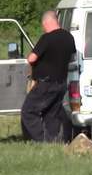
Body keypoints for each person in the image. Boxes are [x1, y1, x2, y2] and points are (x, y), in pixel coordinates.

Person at [21, 10, 76, 142]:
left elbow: (32, 59)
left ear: (46, 22)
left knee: (28, 111)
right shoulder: (69, 37)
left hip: (46, 84)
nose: (43, 28)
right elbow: (72, 56)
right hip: (61, 83)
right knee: (51, 114)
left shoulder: (47, 38)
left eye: (43, 25)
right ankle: (54, 142)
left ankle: (41, 140)